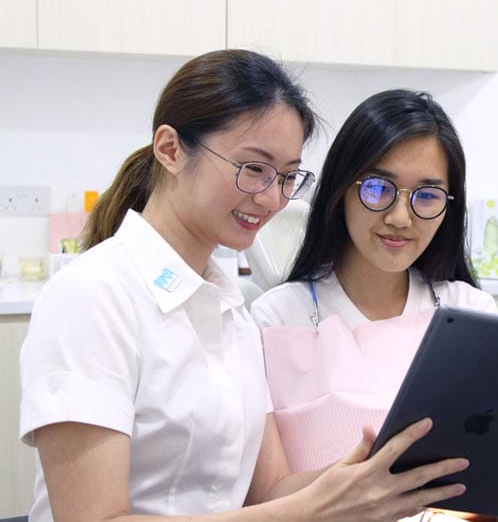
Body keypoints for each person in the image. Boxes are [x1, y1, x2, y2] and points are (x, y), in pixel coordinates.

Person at [18, 51, 468, 522]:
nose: (272, 198)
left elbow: (270, 490)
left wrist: (377, 477)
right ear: (171, 150)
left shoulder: (231, 311)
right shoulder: (92, 297)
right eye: (254, 168)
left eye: (287, 177)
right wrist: (314, 509)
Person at [250, 89, 498, 521]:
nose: (400, 217)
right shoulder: (275, 318)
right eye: (378, 188)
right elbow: (265, 499)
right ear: (341, 189)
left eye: (427, 195)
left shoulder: (469, 310)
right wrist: (366, 483)